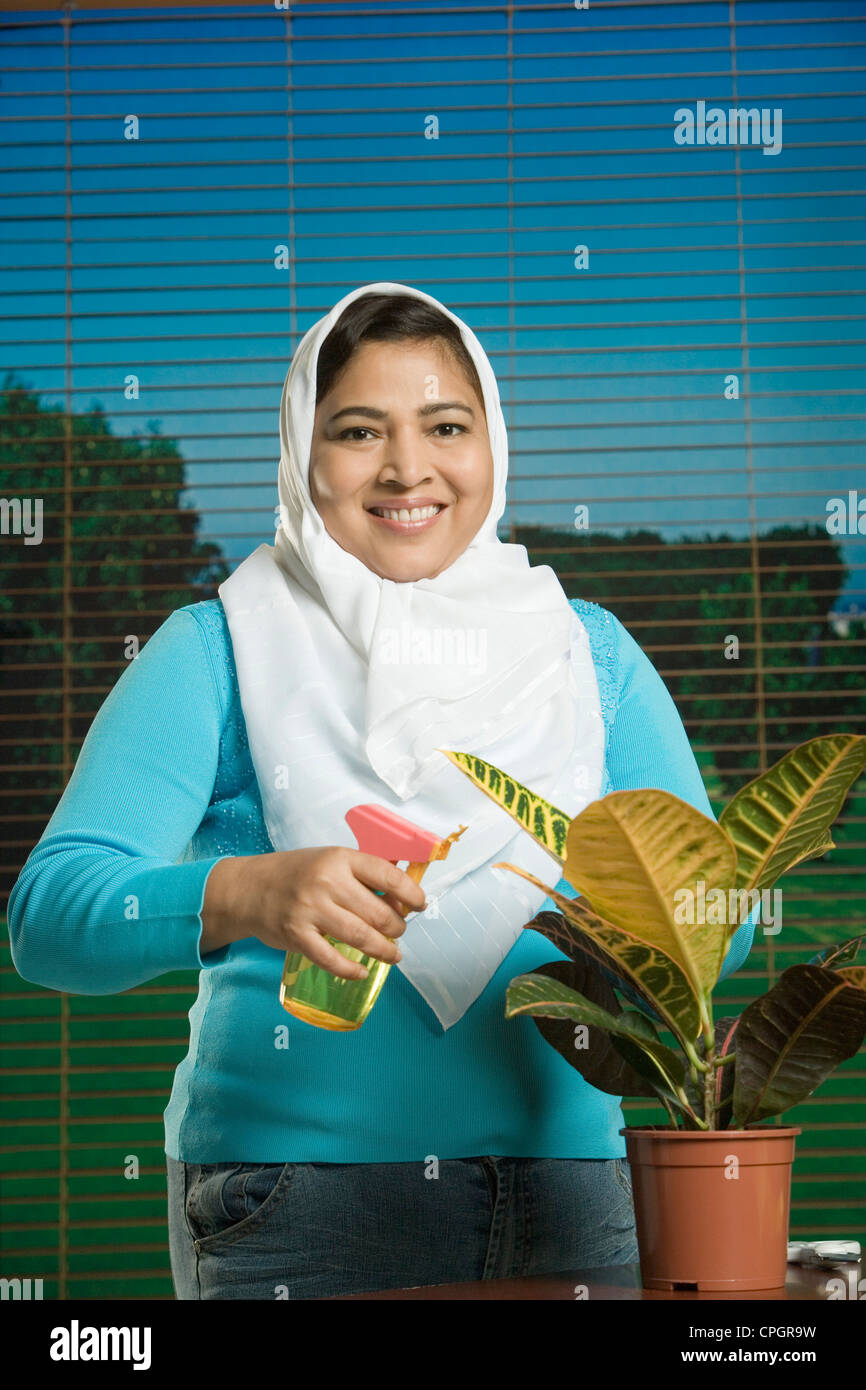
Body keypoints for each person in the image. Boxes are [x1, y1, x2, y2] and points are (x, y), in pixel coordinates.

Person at [8, 282, 756, 1301]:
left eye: (445, 425)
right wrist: (250, 892)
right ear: (301, 453)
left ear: (490, 442)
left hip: (574, 1194)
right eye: (359, 430)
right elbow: (50, 917)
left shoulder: (589, 657)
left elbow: (727, 923)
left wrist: (614, 910)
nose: (408, 468)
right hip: (299, 1208)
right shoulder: (217, 651)